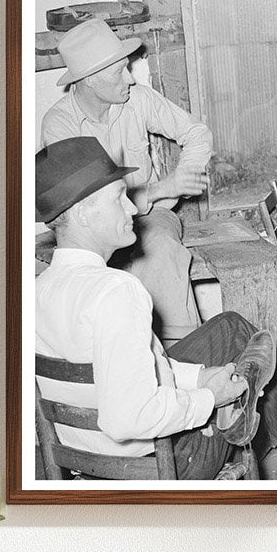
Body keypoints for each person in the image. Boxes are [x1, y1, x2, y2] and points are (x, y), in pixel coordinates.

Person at [34, 137, 277, 480]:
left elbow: (125, 370)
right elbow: (127, 419)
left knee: (229, 329)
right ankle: (270, 423)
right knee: (240, 383)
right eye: (118, 198)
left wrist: (199, 377)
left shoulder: (38, 289)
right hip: (159, 465)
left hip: (85, 458)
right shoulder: (117, 291)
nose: (131, 207)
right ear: (81, 214)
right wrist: (208, 399)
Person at [41, 19, 211, 342]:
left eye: (127, 68)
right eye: (118, 71)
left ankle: (189, 354)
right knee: (89, 286)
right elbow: (85, 201)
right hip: (92, 228)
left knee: (161, 252)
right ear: (89, 80)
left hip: (150, 219)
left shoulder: (138, 100)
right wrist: (166, 187)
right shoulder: (59, 124)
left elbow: (196, 133)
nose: (130, 78)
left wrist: (185, 176)